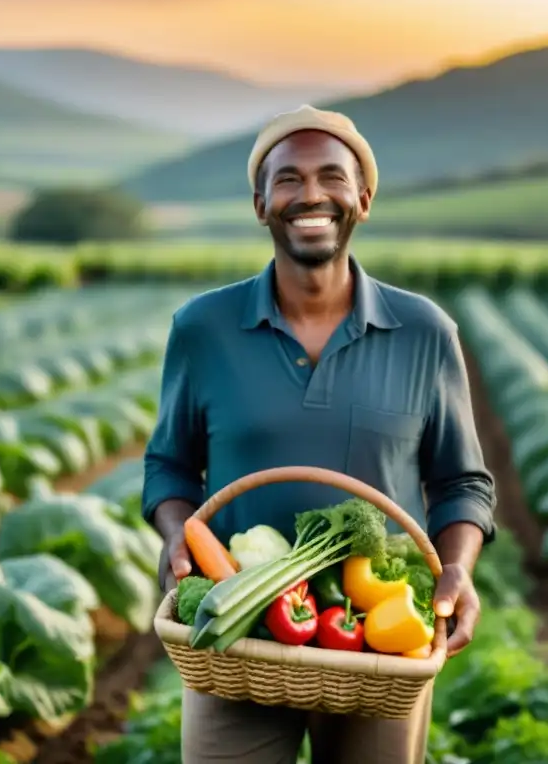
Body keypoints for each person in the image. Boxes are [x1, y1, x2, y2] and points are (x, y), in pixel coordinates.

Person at [141, 104, 497, 764]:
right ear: (259, 204)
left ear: (362, 198)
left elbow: (461, 483)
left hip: (378, 641)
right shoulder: (201, 329)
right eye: (287, 179)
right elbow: (168, 466)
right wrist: (176, 540)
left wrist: (457, 569)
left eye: (331, 177)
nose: (310, 195)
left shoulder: (425, 332)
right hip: (236, 634)